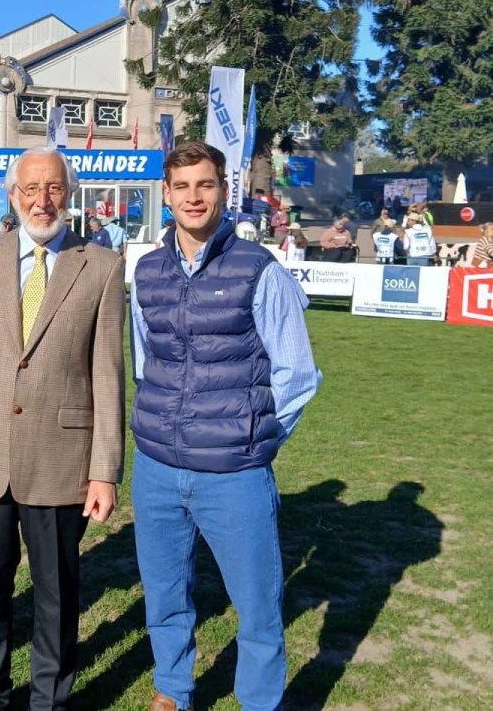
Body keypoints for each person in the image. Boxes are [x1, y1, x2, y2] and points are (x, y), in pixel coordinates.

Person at [0, 146, 126, 711]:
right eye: (32, 189)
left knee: (57, 598)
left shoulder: (102, 266)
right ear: (13, 196)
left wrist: (104, 471)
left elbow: (108, 375)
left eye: (55, 189)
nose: (43, 200)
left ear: (70, 195)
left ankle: (50, 700)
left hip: (62, 462)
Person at [130, 140, 320, 711]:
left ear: (224, 191)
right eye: (182, 186)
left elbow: (297, 374)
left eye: (205, 185)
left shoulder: (259, 271)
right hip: (158, 468)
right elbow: (146, 363)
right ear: (166, 195)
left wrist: (253, 438)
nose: (194, 197)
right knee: (165, 595)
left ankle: (259, 700)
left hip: (234, 474)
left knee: (257, 604)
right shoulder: (146, 271)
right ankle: (173, 689)